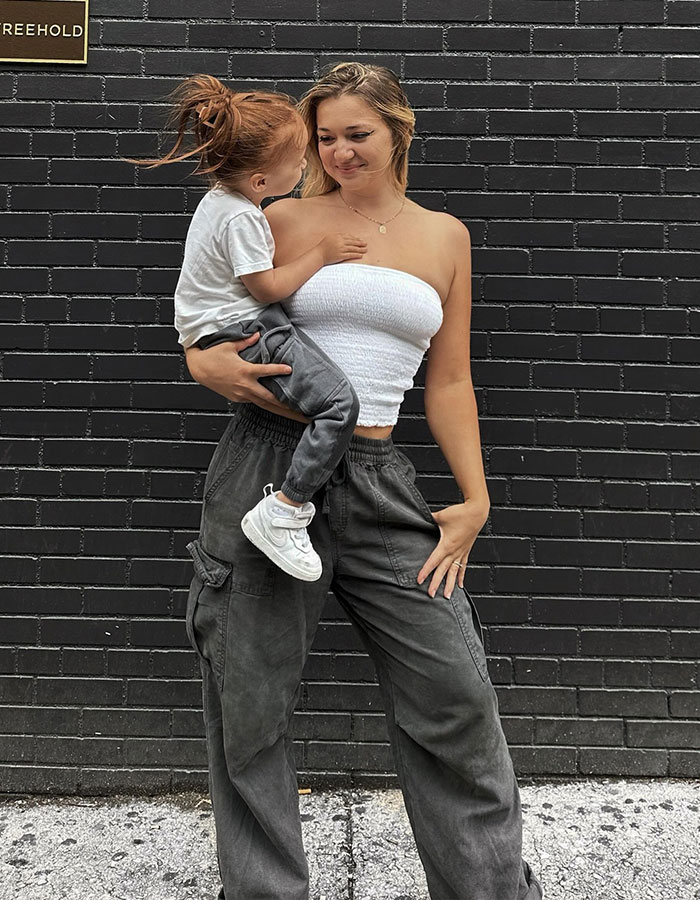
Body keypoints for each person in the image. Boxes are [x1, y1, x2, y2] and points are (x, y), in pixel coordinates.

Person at [183, 62, 544, 900]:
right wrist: (202, 366)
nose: (340, 151)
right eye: (326, 136)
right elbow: (215, 312)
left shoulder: (444, 236)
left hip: (383, 482)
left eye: (358, 134)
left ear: (398, 131)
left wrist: (475, 499)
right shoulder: (275, 215)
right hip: (270, 465)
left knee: (455, 702)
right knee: (250, 710)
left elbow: (449, 381)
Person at [132, 74, 368, 582]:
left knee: (317, 393)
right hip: (243, 325)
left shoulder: (220, 202)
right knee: (340, 404)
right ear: (261, 182)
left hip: (228, 324)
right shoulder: (244, 219)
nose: (309, 164)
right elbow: (266, 289)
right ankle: (285, 509)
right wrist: (323, 254)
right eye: (302, 158)